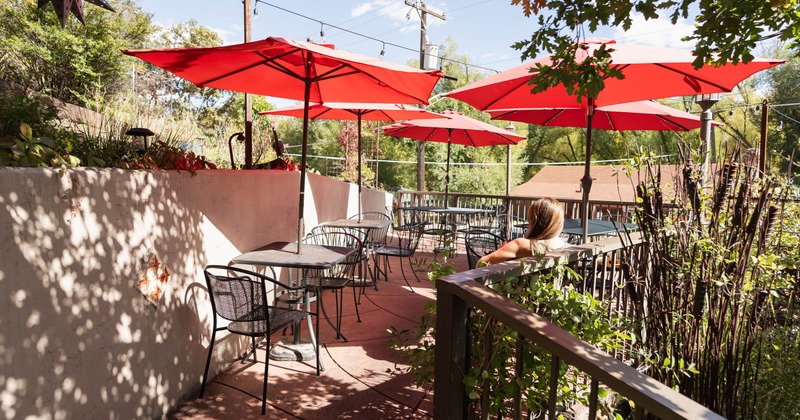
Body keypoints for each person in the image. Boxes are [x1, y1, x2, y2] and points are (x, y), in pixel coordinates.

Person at [477, 197, 565, 266]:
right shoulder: (564, 247)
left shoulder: (522, 245)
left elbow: (481, 264)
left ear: (533, 221)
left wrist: (502, 251)